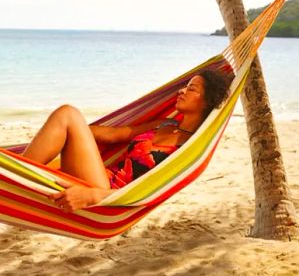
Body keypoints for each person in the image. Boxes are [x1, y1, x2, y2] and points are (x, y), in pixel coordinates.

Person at [21, 69, 231, 212]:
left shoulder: (188, 149)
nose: (182, 90)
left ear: (206, 101)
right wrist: (61, 133)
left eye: (191, 89)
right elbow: (114, 135)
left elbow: (149, 194)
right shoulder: (164, 124)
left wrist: (93, 196)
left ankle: (17, 175)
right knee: (66, 116)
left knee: (68, 113)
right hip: (97, 176)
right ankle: (13, 171)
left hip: (106, 194)